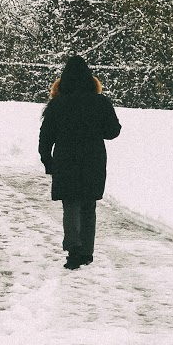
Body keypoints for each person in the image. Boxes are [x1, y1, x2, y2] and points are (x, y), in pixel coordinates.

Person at [38, 54, 122, 270]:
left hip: (66, 159)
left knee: (71, 204)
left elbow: (46, 136)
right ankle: (87, 252)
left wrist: (47, 161)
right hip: (93, 159)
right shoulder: (100, 102)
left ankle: (73, 247)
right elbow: (113, 131)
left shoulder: (57, 104)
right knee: (88, 205)